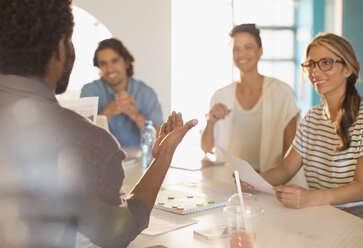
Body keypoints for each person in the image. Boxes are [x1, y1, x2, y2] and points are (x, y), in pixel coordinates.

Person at [0, 1, 197, 247]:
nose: (109, 68)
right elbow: (119, 233)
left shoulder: (143, 93)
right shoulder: (88, 141)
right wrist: (165, 153)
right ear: (62, 48)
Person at [247, 33, 363, 211]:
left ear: (347, 69)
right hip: (321, 213)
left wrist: (312, 198)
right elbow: (286, 169)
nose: (315, 72)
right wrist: (253, 180)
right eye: (311, 64)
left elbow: (361, 186)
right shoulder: (312, 117)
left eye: (326, 63)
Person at [201, 23, 299, 173]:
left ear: (260, 51)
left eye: (248, 47)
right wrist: (210, 121)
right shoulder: (221, 96)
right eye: (236, 49)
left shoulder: (282, 92)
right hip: (229, 180)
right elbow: (206, 148)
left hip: (269, 179)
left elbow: (291, 150)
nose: (242, 54)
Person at [80, 38, 163, 147]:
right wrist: (108, 111)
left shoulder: (146, 93)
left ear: (127, 62)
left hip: (139, 162)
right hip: (101, 160)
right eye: (103, 63)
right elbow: (83, 137)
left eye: (114, 61)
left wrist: (135, 115)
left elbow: (161, 139)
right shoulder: (90, 91)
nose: (110, 69)